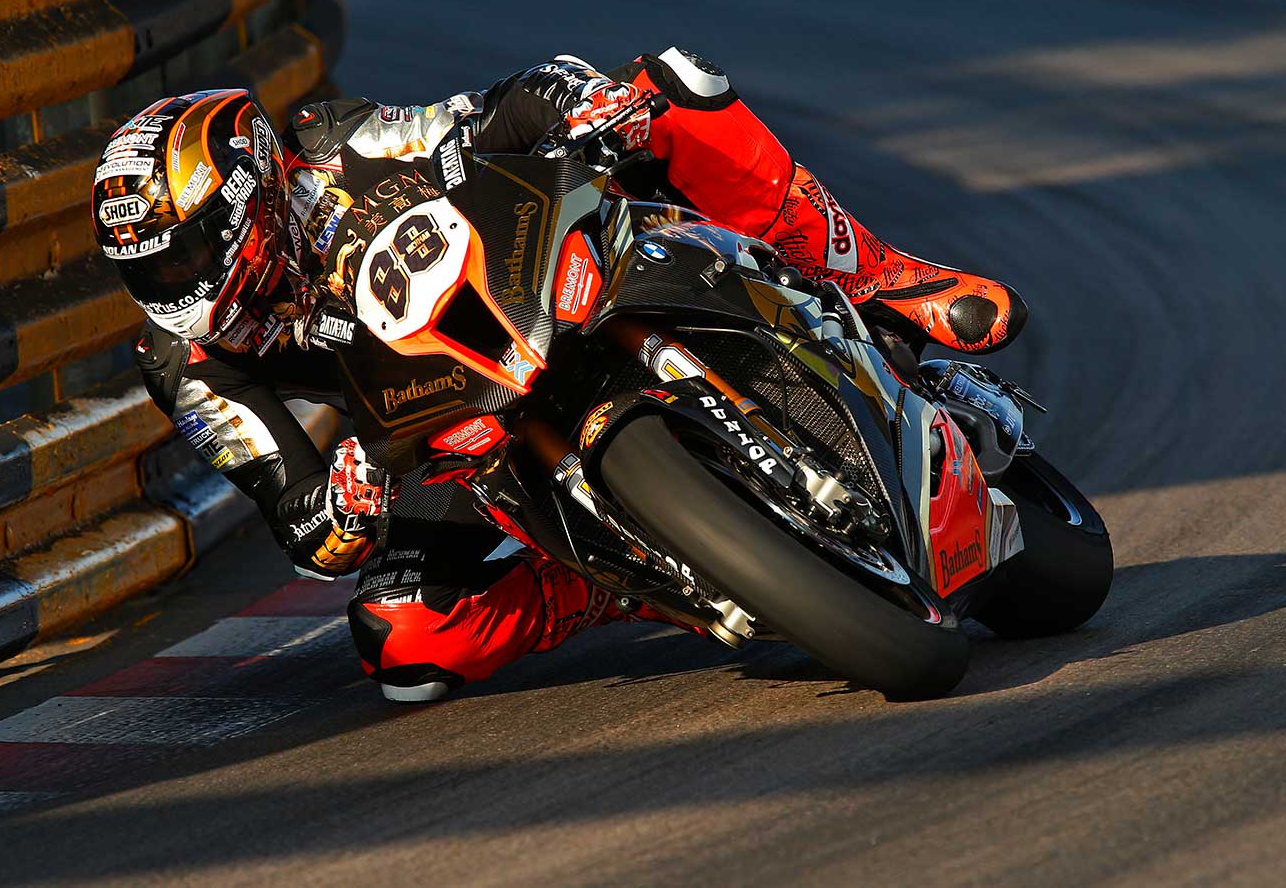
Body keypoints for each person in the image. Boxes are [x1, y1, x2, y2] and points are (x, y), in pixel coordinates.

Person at [90, 48, 1026, 701]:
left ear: (248, 200)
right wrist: (347, 503)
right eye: (145, 274)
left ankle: (876, 276)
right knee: (399, 642)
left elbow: (490, 112)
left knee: (674, 88)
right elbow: (293, 514)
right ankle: (618, 575)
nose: (169, 290)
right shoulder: (187, 364)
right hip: (451, 436)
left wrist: (580, 102)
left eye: (176, 261)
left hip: (551, 277)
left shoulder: (341, 147)